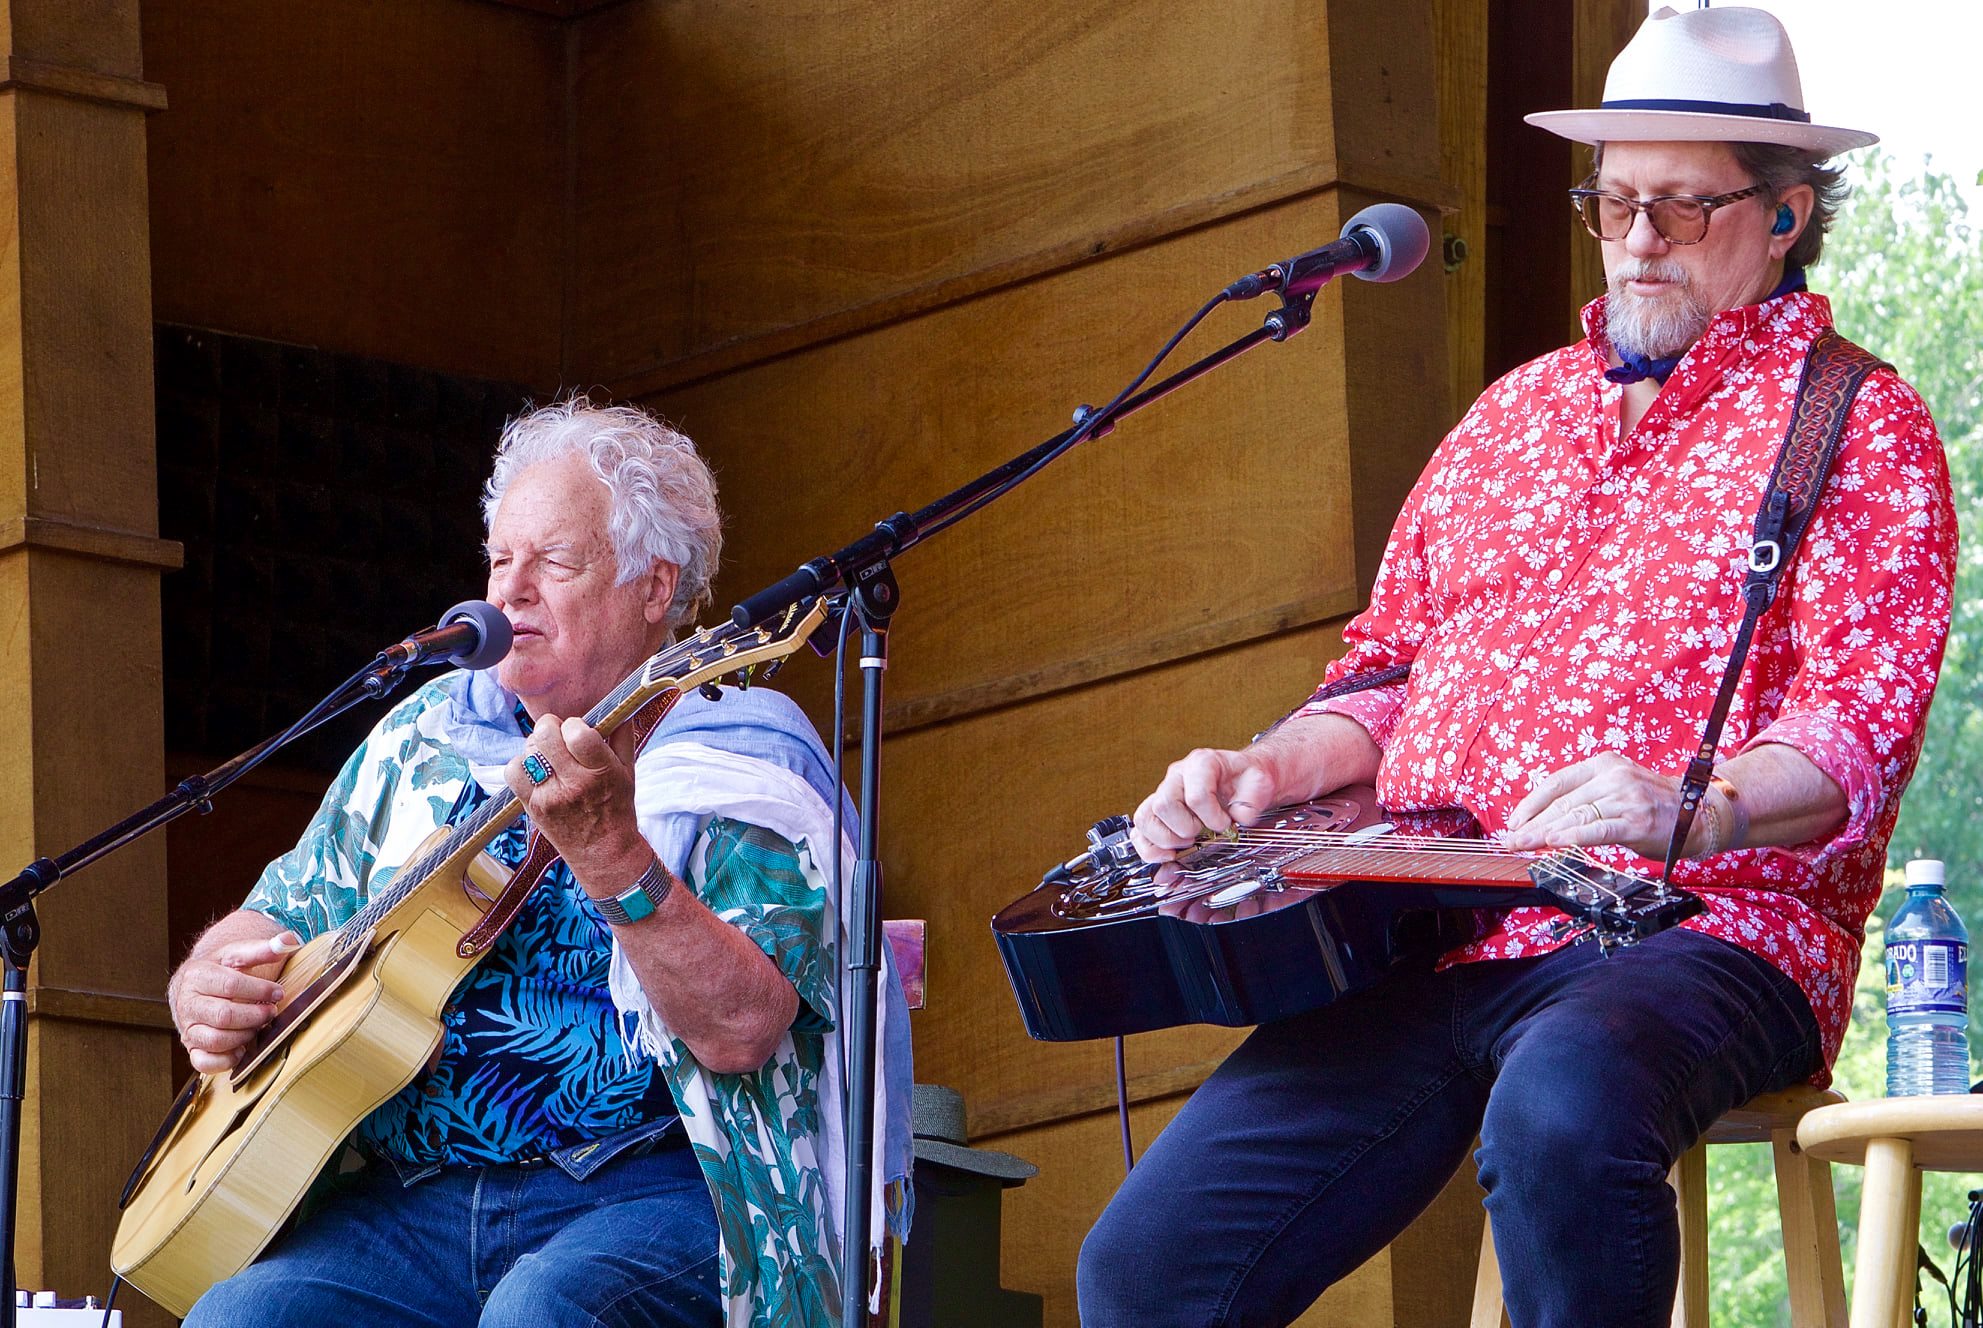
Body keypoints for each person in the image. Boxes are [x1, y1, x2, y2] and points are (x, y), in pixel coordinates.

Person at [1077, 9, 1956, 1327]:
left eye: (1678, 206)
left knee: (1557, 1111)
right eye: (1612, 205)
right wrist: (1263, 770)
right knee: (1147, 1263)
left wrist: (1687, 808)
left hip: (1706, 935)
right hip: (1442, 928)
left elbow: (1857, 726)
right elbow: (1382, 679)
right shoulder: (1508, 420)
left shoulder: (1853, 422)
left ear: (1781, 215)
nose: (1637, 241)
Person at [166, 400, 912, 1328]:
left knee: (544, 1309)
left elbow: (741, 1031)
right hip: (418, 1198)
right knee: (241, 1320)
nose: (507, 591)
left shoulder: (738, 761)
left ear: (653, 586)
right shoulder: (426, 736)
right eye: (498, 559)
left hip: (650, 1190)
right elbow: (280, 911)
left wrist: (612, 856)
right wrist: (209, 978)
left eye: (552, 561)